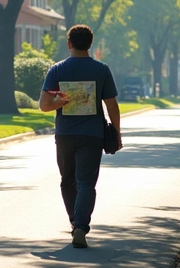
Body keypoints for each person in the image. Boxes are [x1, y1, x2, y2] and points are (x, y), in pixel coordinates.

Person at [39, 24, 121, 249]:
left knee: (68, 181)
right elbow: (112, 105)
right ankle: (81, 227)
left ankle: (75, 223)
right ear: (90, 45)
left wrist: (58, 102)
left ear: (69, 44)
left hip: (65, 134)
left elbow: (44, 106)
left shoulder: (57, 70)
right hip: (92, 134)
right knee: (86, 183)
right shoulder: (101, 69)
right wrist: (117, 133)